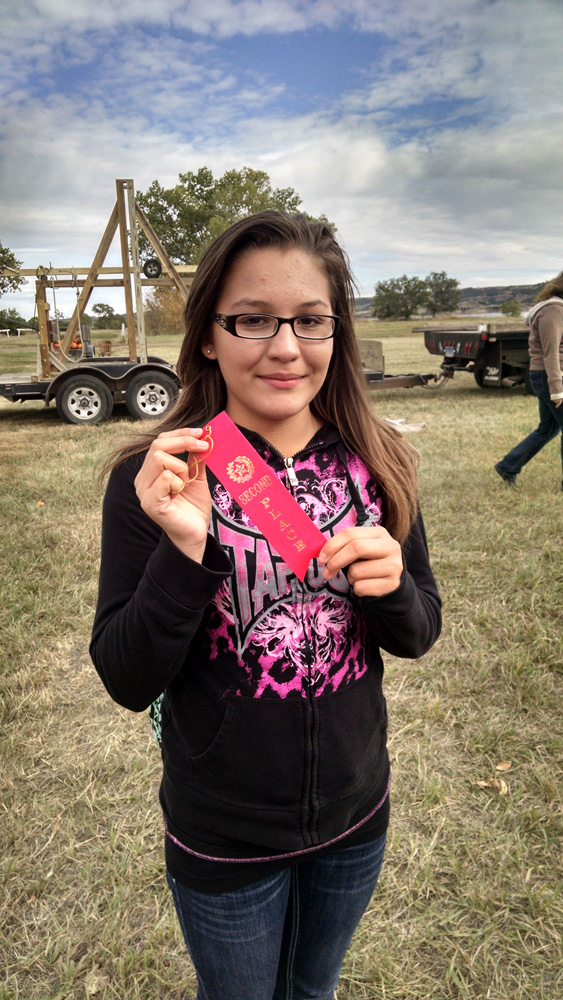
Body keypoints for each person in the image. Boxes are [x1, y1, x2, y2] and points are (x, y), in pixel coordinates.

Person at [90, 212, 441, 1000]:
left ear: (336, 331)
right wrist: (184, 551)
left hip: (355, 817)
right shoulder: (158, 479)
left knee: (313, 992)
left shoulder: (377, 462)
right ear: (209, 335)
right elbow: (124, 676)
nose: (284, 346)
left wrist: (391, 589)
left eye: (310, 320)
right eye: (252, 319)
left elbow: (420, 633)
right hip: (224, 836)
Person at [494, 273, 563, 491]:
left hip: (547, 376)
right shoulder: (553, 310)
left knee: (548, 429)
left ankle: (508, 466)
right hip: (549, 376)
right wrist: (557, 390)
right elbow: (551, 354)